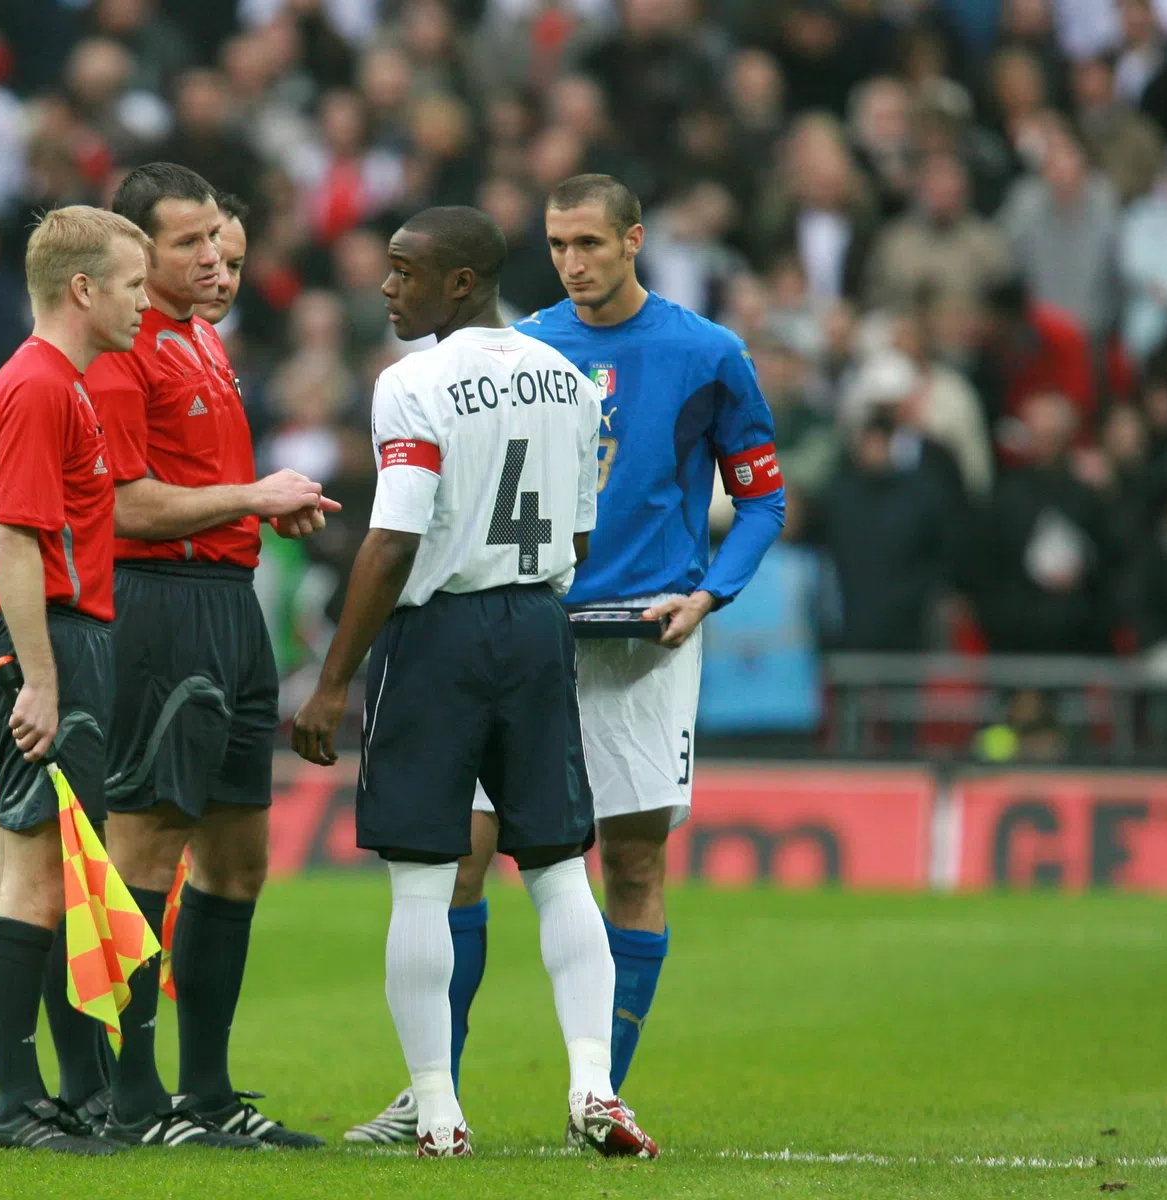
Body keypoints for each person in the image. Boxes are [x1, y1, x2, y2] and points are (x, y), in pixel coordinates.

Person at [345, 175, 785, 1146]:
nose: (574, 263)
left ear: (635, 239)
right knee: (468, 860)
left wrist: (709, 592)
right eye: (558, 245)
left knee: (624, 860)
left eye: (590, 243)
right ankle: (431, 1095)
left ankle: (602, 1093)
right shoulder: (530, 348)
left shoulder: (707, 355)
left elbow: (764, 501)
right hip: (540, 631)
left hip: (642, 641)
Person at [290, 205, 654, 1160]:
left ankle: (438, 1112)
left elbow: (395, 535)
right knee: (558, 870)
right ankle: (592, 1087)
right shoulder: (572, 380)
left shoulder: (412, 383)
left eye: (404, 270)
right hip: (538, 625)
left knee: (421, 881)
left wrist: (334, 681)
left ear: (462, 282)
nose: (386, 284)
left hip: (440, 634)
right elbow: (578, 536)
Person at [84, 163, 334, 1149]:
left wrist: (263, 504)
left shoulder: (201, 341)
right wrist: (251, 498)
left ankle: (209, 1094)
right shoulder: (120, 353)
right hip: (161, 609)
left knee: (239, 860)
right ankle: (130, 1096)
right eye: (190, 243)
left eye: (220, 241)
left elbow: (210, 488)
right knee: (143, 848)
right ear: (135, 252)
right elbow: (124, 505)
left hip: (232, 606)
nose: (217, 258)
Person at [0, 204, 150, 1156]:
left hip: (59, 640)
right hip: (49, 644)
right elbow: (14, 538)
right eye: (131, 286)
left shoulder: (56, 381)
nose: (142, 305)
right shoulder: (41, 386)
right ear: (83, 288)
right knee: (33, 874)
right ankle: (16, 1104)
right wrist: (41, 678)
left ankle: (38, 1094)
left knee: (25, 871)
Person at [194, 192, 248, 326]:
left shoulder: (211, 344)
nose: (224, 281)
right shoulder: (136, 342)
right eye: (211, 262)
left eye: (234, 266)